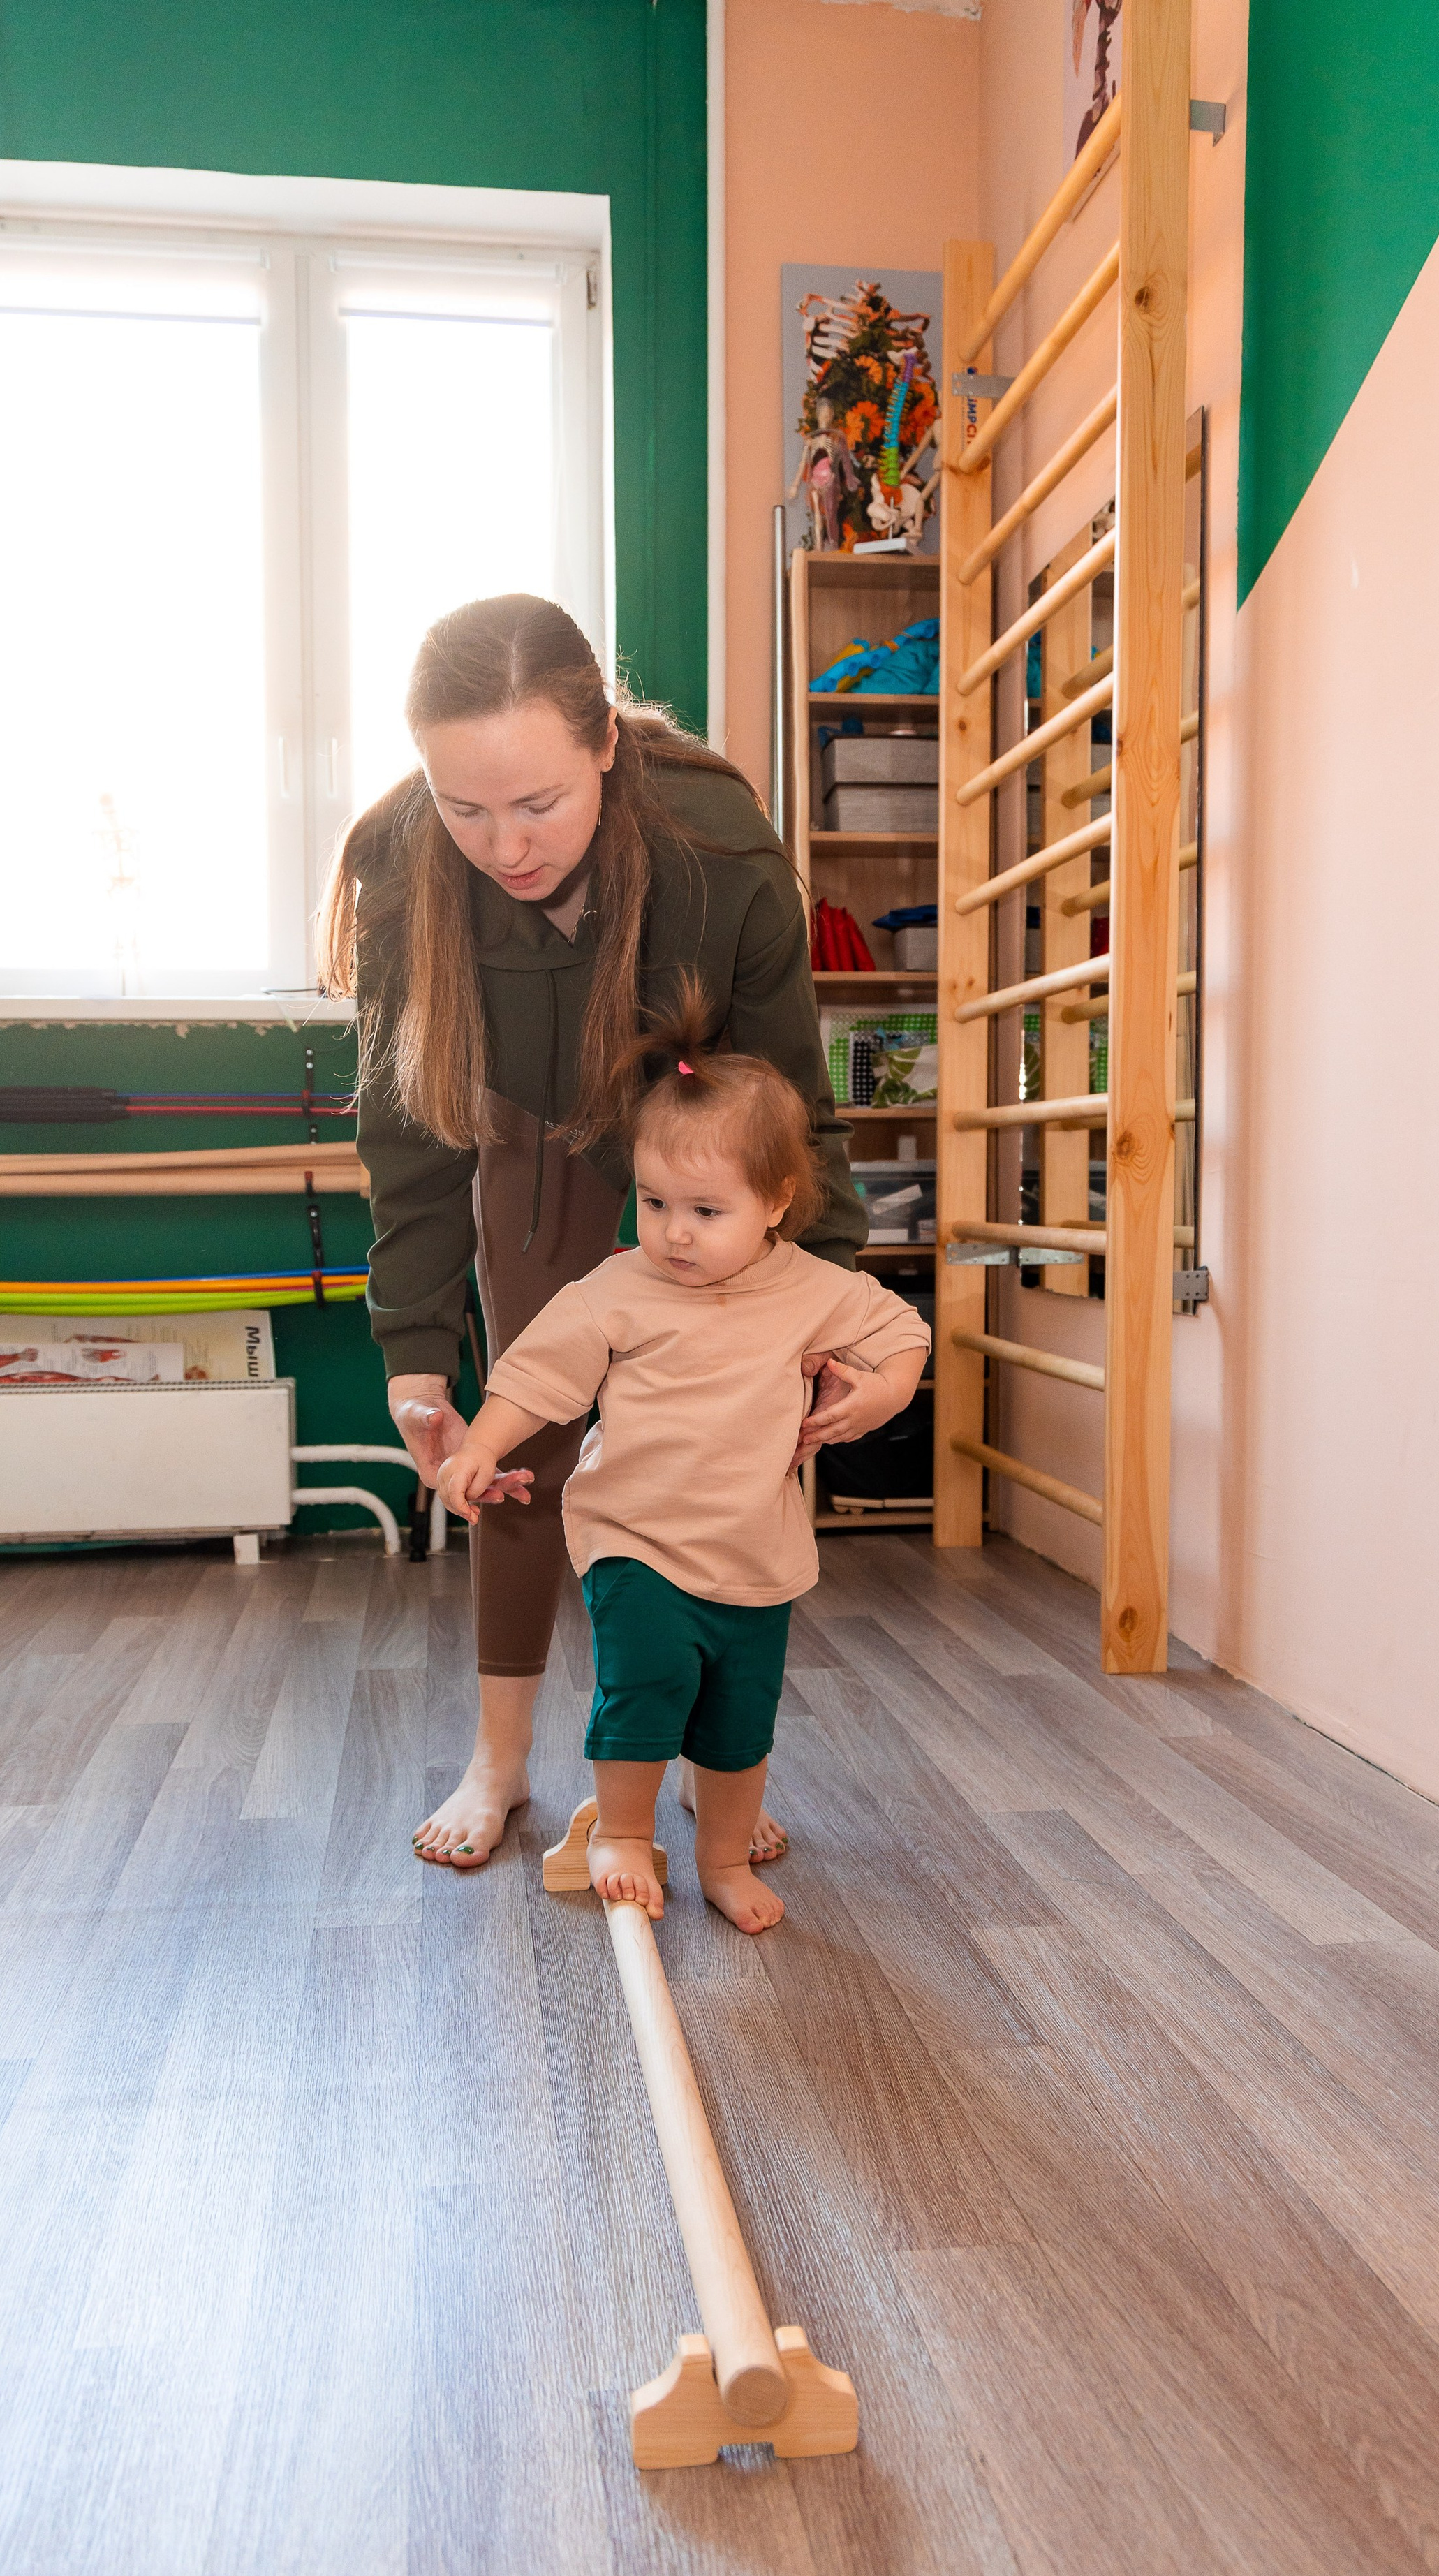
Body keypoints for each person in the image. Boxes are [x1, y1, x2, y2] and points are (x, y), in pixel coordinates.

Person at [318, 592, 878, 1871]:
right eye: (465, 807)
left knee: (728, 1433)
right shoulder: (404, 872)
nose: (505, 844)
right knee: (525, 1429)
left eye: (539, 802)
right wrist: (416, 1360)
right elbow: (409, 1141)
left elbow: (793, 1108)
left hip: (698, 1121)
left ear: (607, 745)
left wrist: (826, 1316)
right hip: (528, 1121)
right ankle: (499, 1758)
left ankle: (717, 1770)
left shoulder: (722, 856)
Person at [434, 982, 929, 1931]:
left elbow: (901, 1331)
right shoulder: (620, 1287)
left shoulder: (813, 1289)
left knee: (741, 1724)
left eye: (706, 1209)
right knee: (645, 1687)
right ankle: (622, 1833)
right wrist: (480, 1445)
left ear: (777, 1202)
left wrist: (883, 1391)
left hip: (755, 1554)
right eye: (655, 1201)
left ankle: (724, 1860)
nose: (673, 1231)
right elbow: (536, 1375)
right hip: (638, 1540)